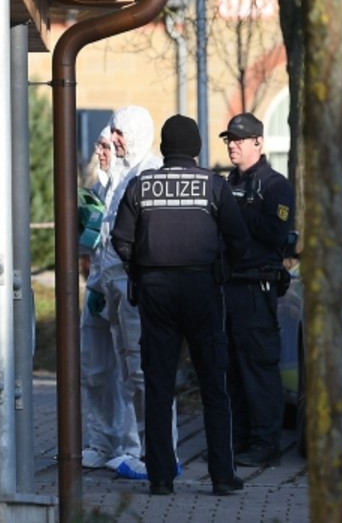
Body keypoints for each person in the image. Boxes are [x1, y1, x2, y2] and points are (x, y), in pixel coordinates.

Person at [111, 114, 250, 497]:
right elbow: (238, 239)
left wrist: (139, 270)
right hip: (203, 288)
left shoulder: (142, 185)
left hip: (156, 292)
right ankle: (222, 477)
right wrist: (222, 270)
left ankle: (160, 478)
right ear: (196, 148)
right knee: (213, 385)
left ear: (165, 147)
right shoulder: (213, 186)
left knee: (158, 386)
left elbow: (120, 240)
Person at [90, 105, 164, 480]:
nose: (113, 140)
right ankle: (136, 449)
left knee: (143, 371)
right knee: (127, 372)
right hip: (118, 286)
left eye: (118, 133)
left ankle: (157, 452)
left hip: (135, 288)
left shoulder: (148, 173)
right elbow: (106, 235)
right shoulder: (125, 175)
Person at [220, 112, 295, 467]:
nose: (232, 145)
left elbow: (276, 232)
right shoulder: (226, 182)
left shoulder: (274, 185)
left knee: (258, 368)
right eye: (229, 140)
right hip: (227, 287)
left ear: (258, 143)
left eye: (238, 139)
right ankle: (239, 440)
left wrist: (238, 210)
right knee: (231, 368)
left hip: (255, 288)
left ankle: (265, 444)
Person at [79, 126, 132, 470]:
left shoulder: (132, 184)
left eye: (106, 147)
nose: (100, 153)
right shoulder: (98, 189)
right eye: (98, 146)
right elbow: (92, 247)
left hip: (124, 291)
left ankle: (132, 446)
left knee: (130, 371)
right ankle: (102, 442)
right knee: (94, 370)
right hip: (98, 290)